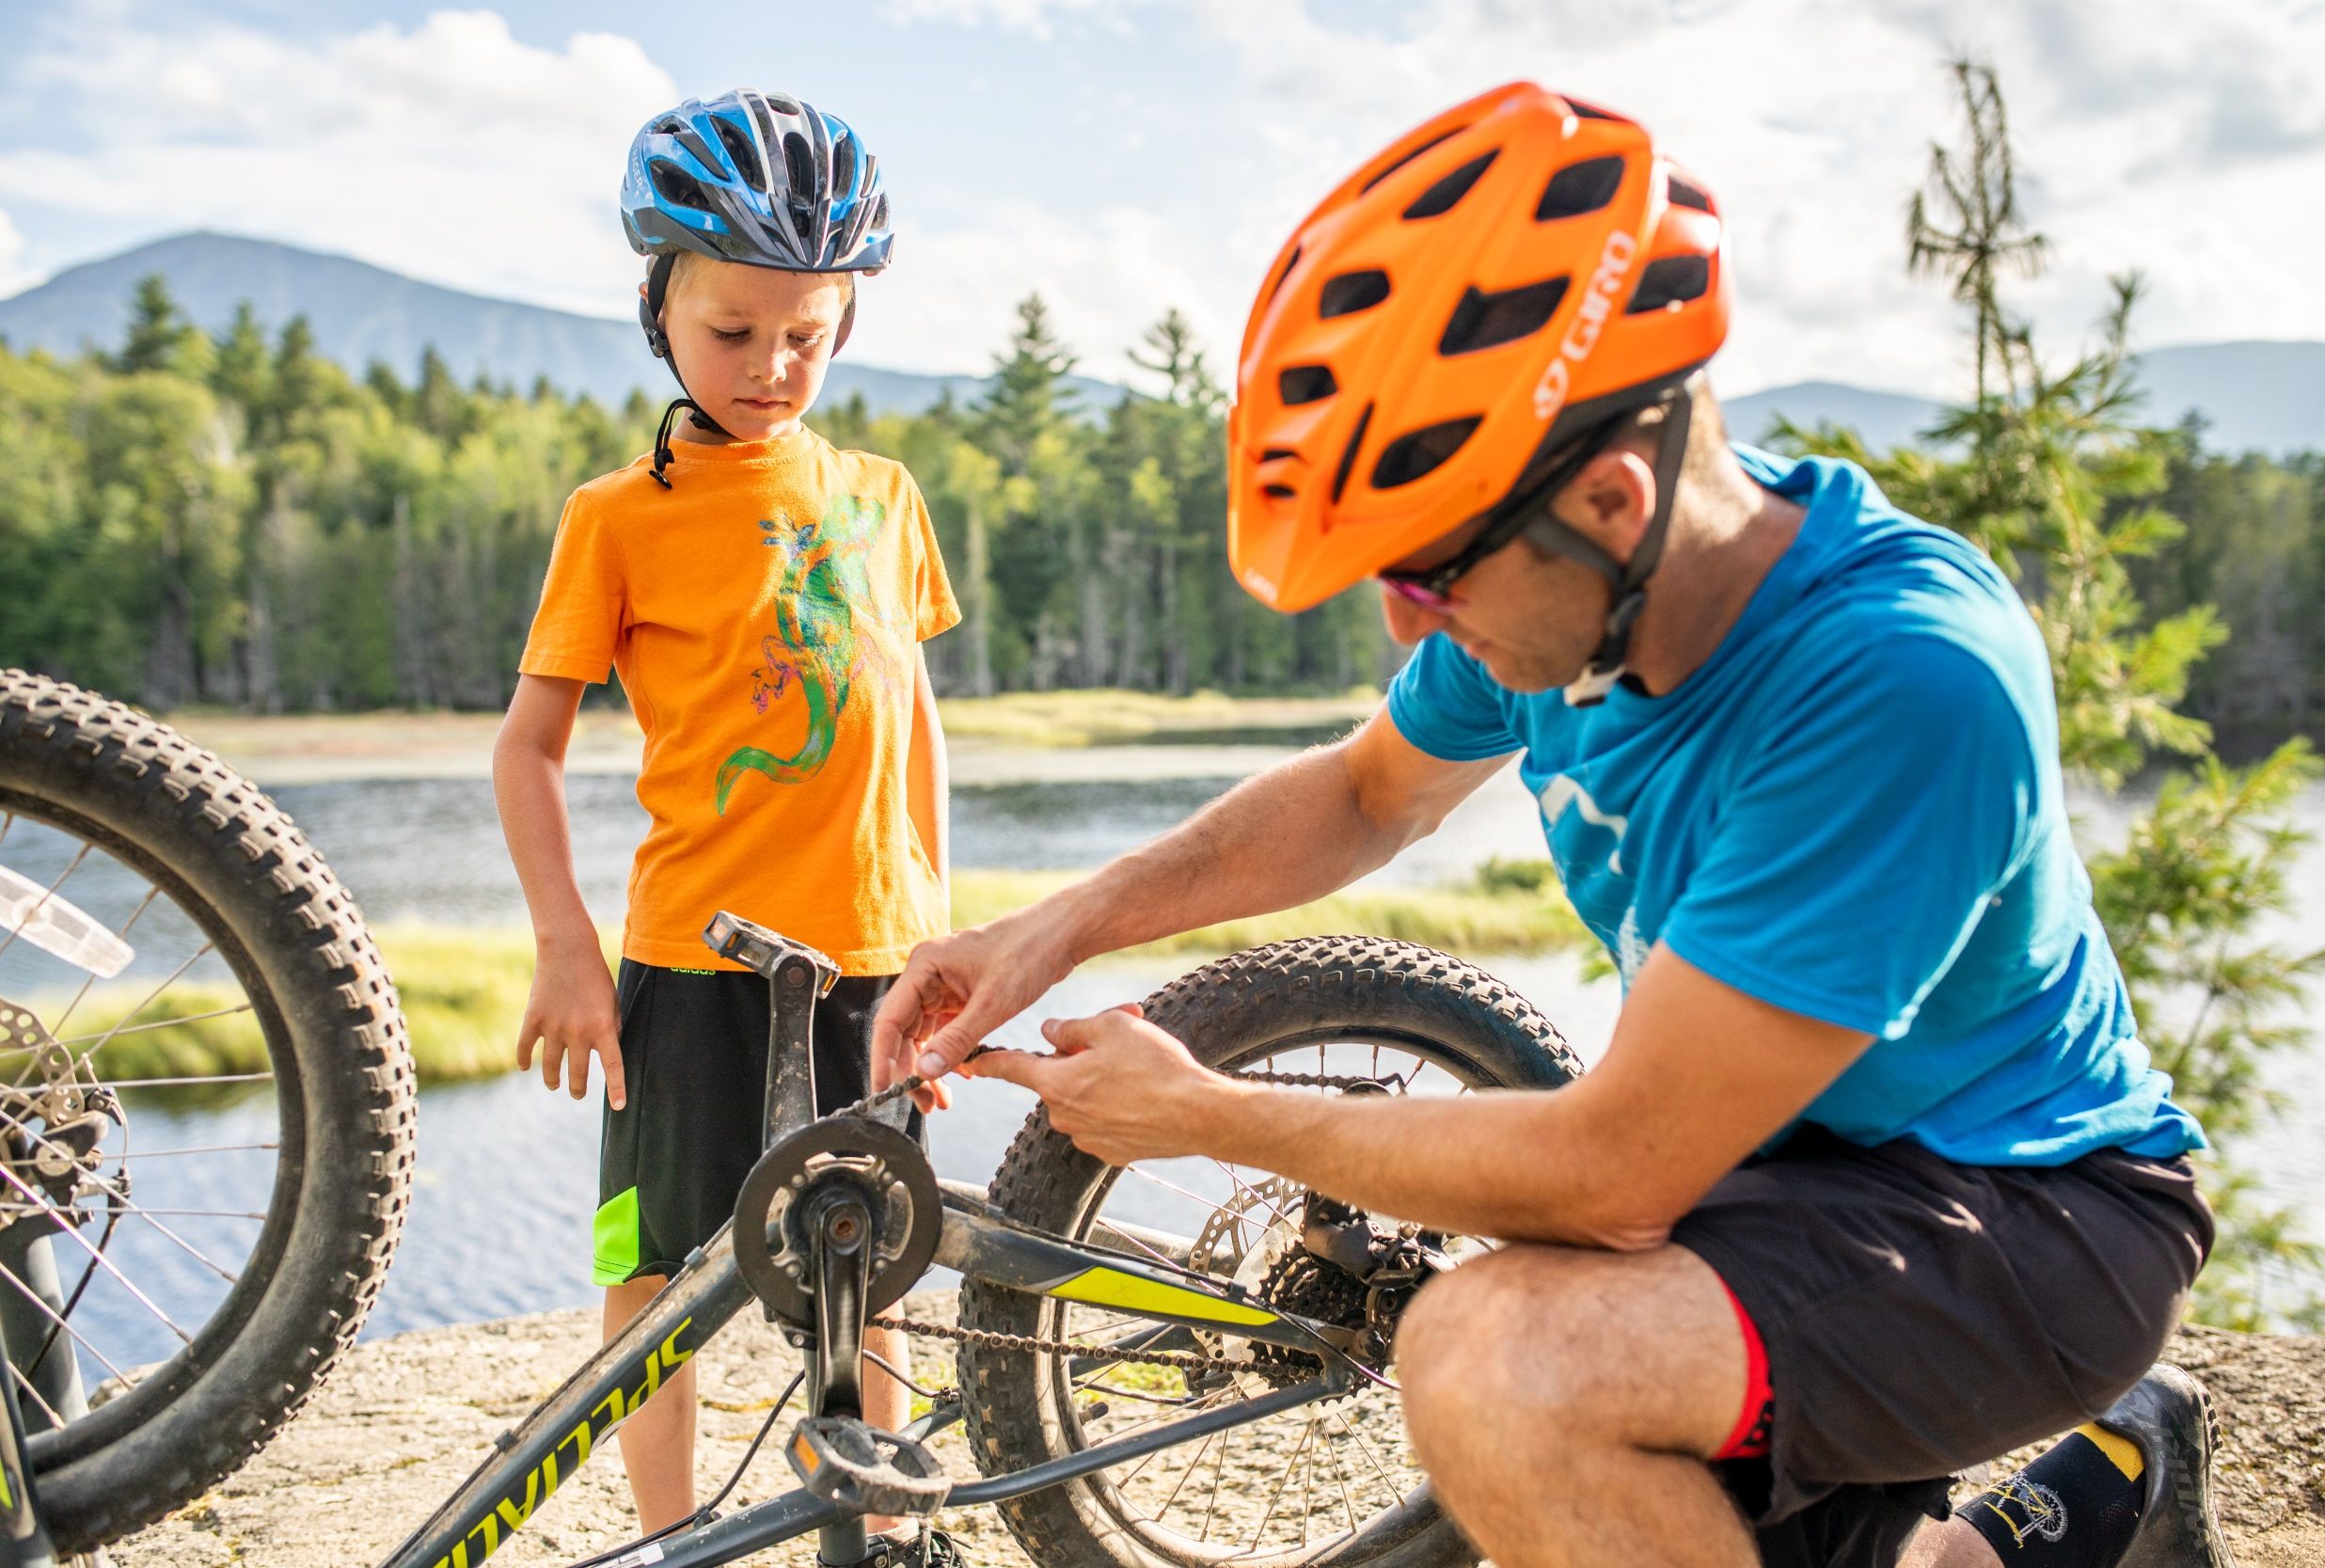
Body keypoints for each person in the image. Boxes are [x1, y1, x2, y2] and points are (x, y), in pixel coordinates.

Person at [874, 83, 2231, 1568]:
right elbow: (1361, 793)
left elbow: (1615, 1168)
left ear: (1609, 494)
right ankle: (2101, 1508)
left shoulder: (1901, 680)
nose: (1405, 620)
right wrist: (1053, 927)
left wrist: (1202, 1115)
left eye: (1430, 575)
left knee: (1502, 1366)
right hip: (1786, 1177)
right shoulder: (1561, 611)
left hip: (2025, 1215)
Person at [493, 89, 962, 1566]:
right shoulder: (616, 516)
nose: (773, 367)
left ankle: (882, 1520)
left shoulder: (883, 500)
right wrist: (566, 950)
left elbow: (919, 728)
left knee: (871, 1264)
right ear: (660, 314)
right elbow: (528, 750)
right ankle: (667, 1539)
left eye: (808, 335)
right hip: (687, 969)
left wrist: (936, 944)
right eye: (733, 331)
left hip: (868, 965)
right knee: (656, 1279)